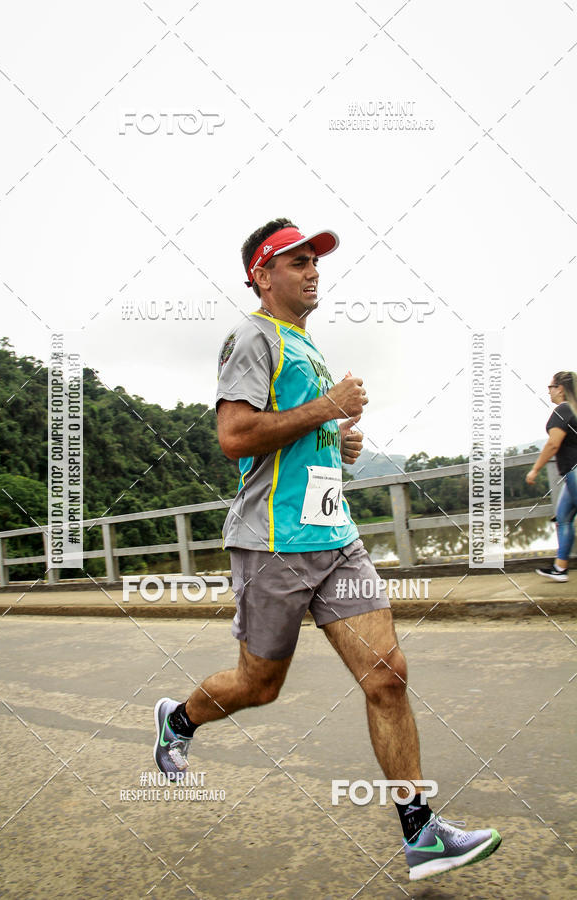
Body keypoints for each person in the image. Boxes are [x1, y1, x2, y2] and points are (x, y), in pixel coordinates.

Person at [153, 218, 501, 882]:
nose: (313, 270)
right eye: (297, 261)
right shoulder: (249, 337)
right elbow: (234, 435)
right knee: (258, 687)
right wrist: (328, 408)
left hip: (335, 542)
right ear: (262, 273)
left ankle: (421, 834)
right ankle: (181, 718)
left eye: (316, 261)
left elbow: (294, 437)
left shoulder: (304, 344)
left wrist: (334, 447)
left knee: (388, 676)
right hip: (273, 548)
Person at [526, 371, 577, 581]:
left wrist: (535, 469)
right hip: (571, 475)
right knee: (563, 518)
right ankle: (560, 568)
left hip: (575, 472)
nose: (548, 391)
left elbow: (553, 444)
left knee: (564, 520)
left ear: (561, 388)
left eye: (550, 387)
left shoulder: (563, 410)